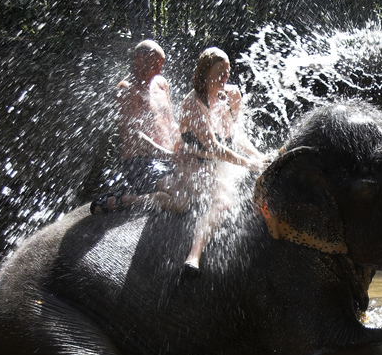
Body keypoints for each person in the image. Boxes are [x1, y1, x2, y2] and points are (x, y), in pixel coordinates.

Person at [171, 47, 268, 273]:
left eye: (228, 71)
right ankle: (194, 256)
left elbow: (237, 135)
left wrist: (258, 157)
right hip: (194, 165)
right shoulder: (193, 103)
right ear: (205, 72)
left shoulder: (231, 95)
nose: (225, 76)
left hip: (219, 164)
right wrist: (247, 163)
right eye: (220, 71)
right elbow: (214, 147)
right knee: (223, 201)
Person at [91, 40, 179, 213]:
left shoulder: (161, 84)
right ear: (139, 60)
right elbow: (135, 136)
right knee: (178, 199)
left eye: (161, 66)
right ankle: (122, 200)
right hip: (141, 162)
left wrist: (187, 146)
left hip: (167, 159)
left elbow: (171, 124)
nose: (159, 71)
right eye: (155, 65)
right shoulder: (126, 89)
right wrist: (170, 155)